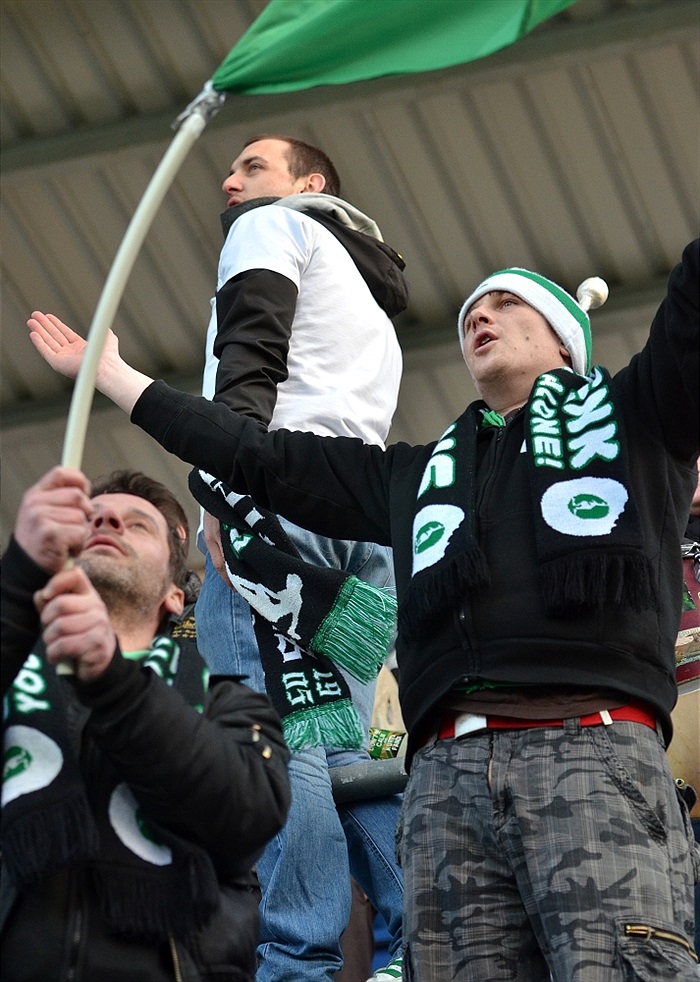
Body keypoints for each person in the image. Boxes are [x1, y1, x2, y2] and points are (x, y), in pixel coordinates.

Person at [27, 239, 700, 981]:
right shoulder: (413, 477)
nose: (481, 315)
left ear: (567, 336)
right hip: (444, 776)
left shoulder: (640, 420)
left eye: (509, 302)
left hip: (591, 750)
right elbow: (257, 455)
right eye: (472, 310)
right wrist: (118, 377)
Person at [194, 134, 406, 981]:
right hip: (363, 519)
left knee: (274, 738)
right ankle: (418, 931)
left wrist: (224, 482)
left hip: (276, 498)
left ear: (308, 183)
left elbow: (249, 347)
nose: (230, 180)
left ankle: (297, 963)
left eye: (252, 166)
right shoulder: (367, 289)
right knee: (343, 744)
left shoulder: (272, 230)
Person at [1, 465, 291, 982]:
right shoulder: (13, 677)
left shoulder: (229, 703)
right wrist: (17, 575)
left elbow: (247, 816)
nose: (108, 516)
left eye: (137, 524)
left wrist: (113, 681)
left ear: (173, 597)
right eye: (93, 519)